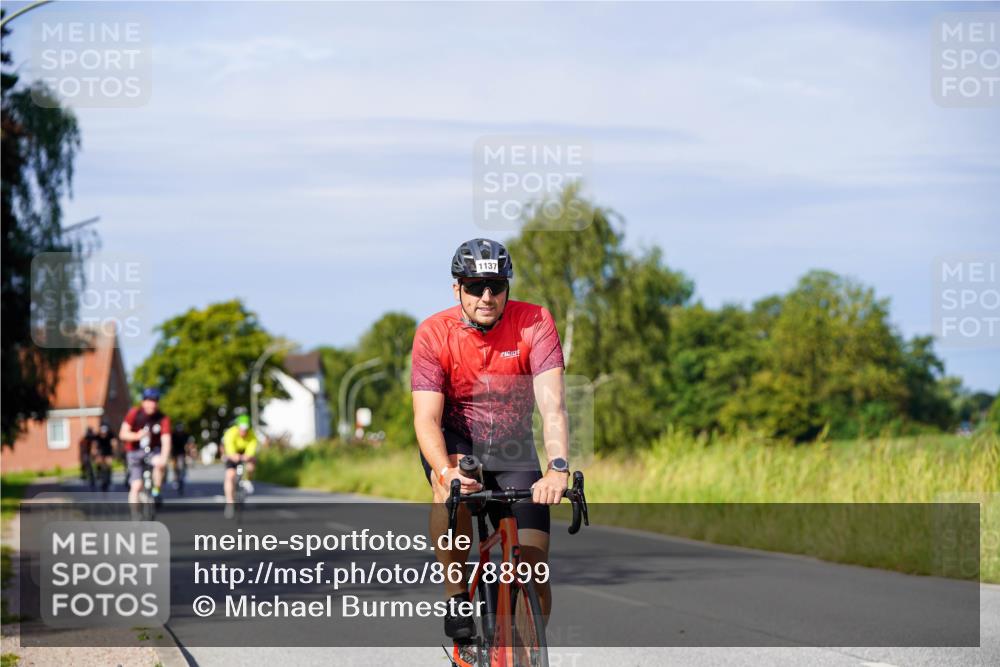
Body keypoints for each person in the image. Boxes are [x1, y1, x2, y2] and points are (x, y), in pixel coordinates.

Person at [411, 238, 571, 641]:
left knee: (534, 565)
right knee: (453, 491)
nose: (487, 296)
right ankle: (457, 596)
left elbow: (553, 406)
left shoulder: (534, 322)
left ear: (507, 287)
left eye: (496, 286)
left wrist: (557, 468)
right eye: (475, 286)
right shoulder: (433, 333)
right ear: (457, 289)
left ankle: (524, 652)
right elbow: (426, 418)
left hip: (511, 447)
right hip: (457, 441)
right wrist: (444, 471)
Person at [119, 388, 172, 506]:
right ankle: (134, 514)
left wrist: (164, 459)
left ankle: (156, 491)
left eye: (154, 401)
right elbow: (122, 434)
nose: (151, 404)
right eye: (149, 401)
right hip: (134, 451)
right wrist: (137, 436)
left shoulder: (162, 418)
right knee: (136, 486)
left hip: (152, 451)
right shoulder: (134, 413)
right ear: (143, 402)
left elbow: (166, 440)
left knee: (159, 463)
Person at [222, 414, 258, 517]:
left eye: (246, 429)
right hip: (233, 453)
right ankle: (230, 503)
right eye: (242, 429)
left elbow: (252, 449)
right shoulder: (230, 433)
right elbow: (229, 448)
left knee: (251, 465)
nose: (243, 432)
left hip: (245, 453)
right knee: (230, 475)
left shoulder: (252, 435)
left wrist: (248, 456)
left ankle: (248, 480)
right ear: (237, 427)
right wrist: (233, 455)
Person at [91, 422, 117, 492]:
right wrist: (94, 452)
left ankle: (108, 480)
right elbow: (94, 445)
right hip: (100, 453)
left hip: (108, 453)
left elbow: (114, 443)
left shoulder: (110, 435)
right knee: (99, 464)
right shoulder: (97, 436)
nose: (103, 434)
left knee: (108, 466)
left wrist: (114, 451)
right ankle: (100, 476)